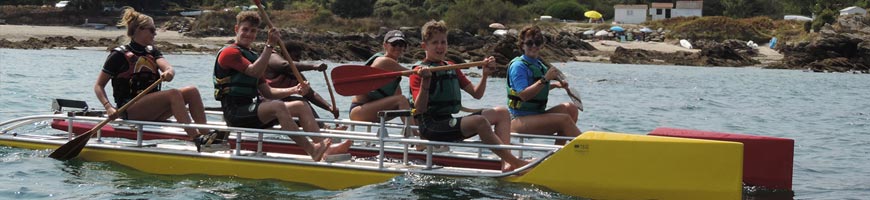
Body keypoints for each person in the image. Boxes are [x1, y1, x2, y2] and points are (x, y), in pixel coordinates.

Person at [213, 11, 350, 161]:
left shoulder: (252, 56)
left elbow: (268, 91)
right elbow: (254, 71)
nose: (248, 34)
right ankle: (312, 150)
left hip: (251, 111)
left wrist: (294, 90)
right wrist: (270, 45)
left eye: (253, 31)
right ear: (236, 29)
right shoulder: (229, 53)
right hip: (235, 113)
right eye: (245, 29)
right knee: (278, 106)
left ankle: (325, 149)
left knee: (300, 105)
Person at [409, 20, 529, 172]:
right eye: (435, 43)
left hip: (448, 121)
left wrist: (485, 75)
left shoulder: (451, 66)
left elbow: (477, 94)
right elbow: (419, 109)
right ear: (424, 46)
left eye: (443, 42)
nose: (440, 47)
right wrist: (426, 81)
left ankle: (507, 164)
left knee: (502, 113)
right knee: (479, 121)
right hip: (431, 127)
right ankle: (517, 163)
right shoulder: (418, 73)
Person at [94, 8, 214, 150]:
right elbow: (99, 86)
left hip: (152, 110)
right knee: (173, 94)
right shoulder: (118, 55)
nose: (155, 33)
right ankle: (196, 139)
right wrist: (108, 107)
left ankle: (208, 136)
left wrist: (169, 72)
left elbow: (167, 67)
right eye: (151, 30)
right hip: (130, 110)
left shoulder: (152, 51)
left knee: (192, 91)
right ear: (139, 30)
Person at [506, 26, 581, 145]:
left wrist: (555, 85)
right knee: (564, 120)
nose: (534, 46)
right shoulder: (518, 66)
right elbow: (523, 95)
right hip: (518, 120)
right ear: (522, 45)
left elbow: (537, 89)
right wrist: (545, 79)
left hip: (536, 115)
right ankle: (588, 147)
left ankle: (558, 153)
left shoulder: (539, 65)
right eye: (530, 43)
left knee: (570, 109)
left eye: (537, 42)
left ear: (542, 45)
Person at [264, 49, 339, 129]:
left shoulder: (297, 76)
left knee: (301, 103)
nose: (298, 60)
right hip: (266, 105)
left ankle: (321, 129)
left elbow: (310, 94)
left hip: (283, 109)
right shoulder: (271, 57)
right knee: (299, 103)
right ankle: (320, 130)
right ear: (284, 55)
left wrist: (329, 107)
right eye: (296, 57)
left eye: (299, 58)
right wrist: (313, 66)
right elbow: (285, 66)